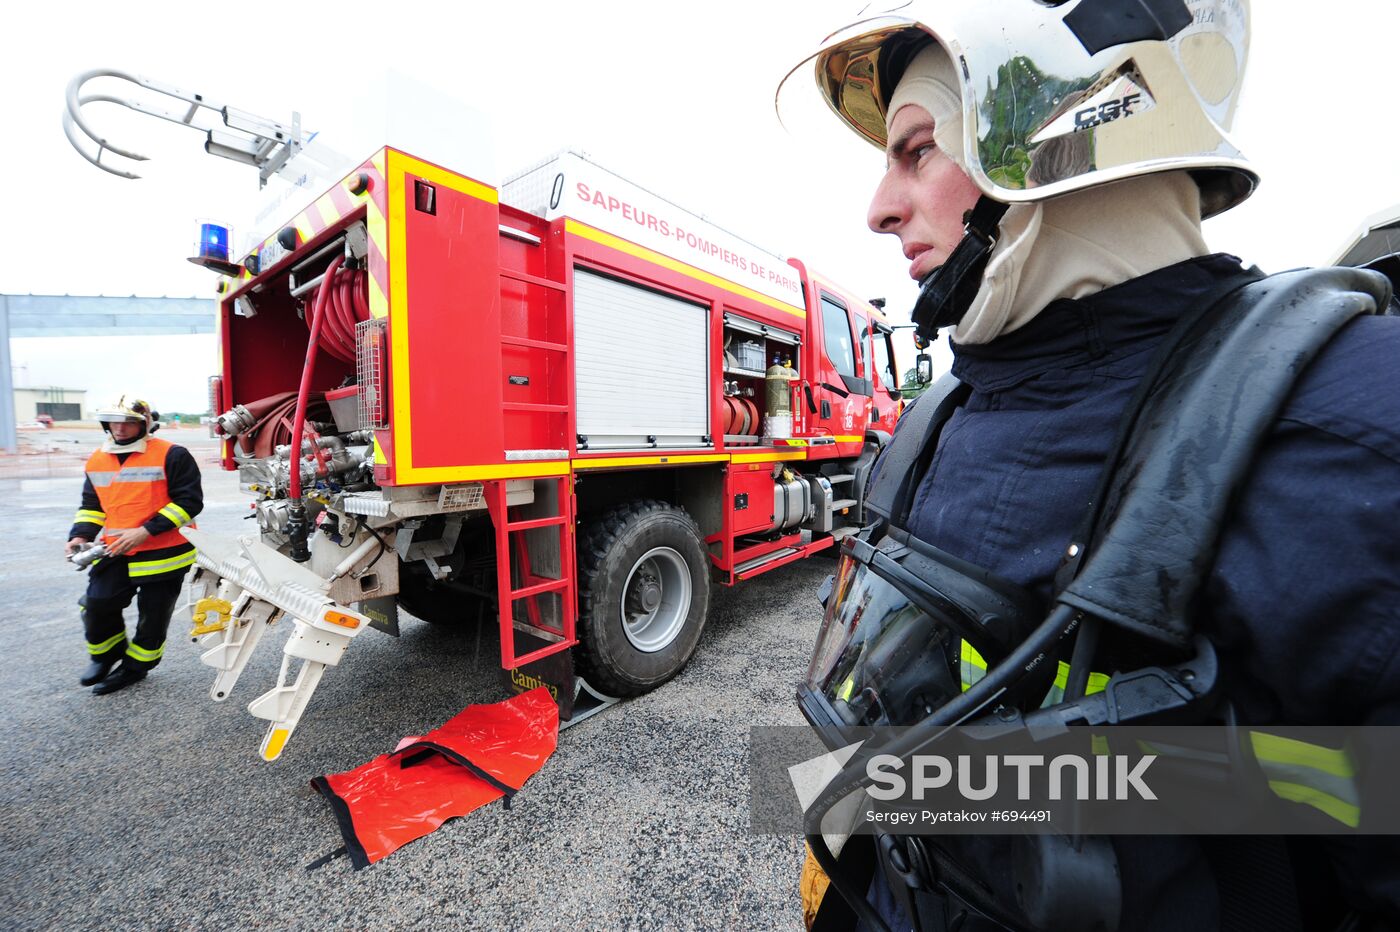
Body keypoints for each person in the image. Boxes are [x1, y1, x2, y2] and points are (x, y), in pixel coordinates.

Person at [784, 1, 1400, 929]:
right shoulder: (941, 414)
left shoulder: (1353, 434)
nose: (879, 209)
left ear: (1064, 134)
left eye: (917, 150)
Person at [66, 397, 203, 695]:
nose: (120, 428)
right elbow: (92, 506)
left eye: (128, 422)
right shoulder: (98, 459)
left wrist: (145, 531)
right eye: (114, 422)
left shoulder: (172, 454)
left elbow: (189, 503)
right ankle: (105, 656)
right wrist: (79, 536)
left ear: (144, 424)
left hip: (165, 553)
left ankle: (136, 667)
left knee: (152, 617)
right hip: (116, 549)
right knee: (97, 604)